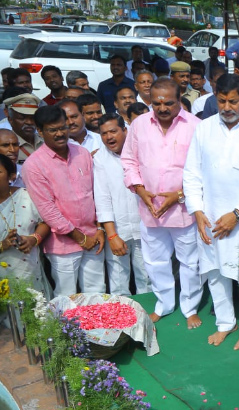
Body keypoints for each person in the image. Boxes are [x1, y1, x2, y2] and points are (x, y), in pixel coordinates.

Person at [183, 74, 239, 349]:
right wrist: (197, 211)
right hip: (210, 215)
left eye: (233, 101)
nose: (226, 107)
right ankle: (225, 323)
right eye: (221, 101)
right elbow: (191, 173)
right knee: (215, 271)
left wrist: (237, 214)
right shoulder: (204, 128)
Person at [121, 78, 203, 327]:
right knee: (155, 261)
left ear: (180, 100)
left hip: (184, 209)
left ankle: (190, 307)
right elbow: (128, 161)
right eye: (156, 103)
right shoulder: (139, 125)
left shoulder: (197, 126)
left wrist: (179, 195)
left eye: (169, 103)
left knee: (190, 262)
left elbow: (205, 170)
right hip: (151, 210)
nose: (162, 108)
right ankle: (164, 304)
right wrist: (139, 189)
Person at [23, 105, 106, 297]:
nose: (60, 133)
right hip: (63, 245)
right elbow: (48, 210)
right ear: (40, 131)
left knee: (97, 294)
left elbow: (97, 194)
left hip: (93, 238)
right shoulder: (33, 165)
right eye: (53, 130)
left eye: (63, 127)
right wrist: (80, 238)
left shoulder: (82, 153)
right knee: (66, 297)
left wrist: (100, 229)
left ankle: (97, 329)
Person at [93, 113, 149, 296]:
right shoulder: (100, 158)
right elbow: (102, 199)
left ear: (125, 130)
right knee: (118, 283)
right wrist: (112, 235)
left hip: (145, 227)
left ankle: (150, 319)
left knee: (147, 278)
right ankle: (123, 323)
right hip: (117, 230)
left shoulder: (141, 151)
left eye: (113, 131)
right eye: (103, 133)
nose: (109, 137)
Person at [0, 153, 51, 298]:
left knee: (31, 311)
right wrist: (3, 245)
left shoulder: (26, 196)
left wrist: (33, 239)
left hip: (27, 269)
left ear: (11, 176)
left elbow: (46, 221)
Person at [3, 93, 42, 163]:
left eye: (33, 118)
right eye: (22, 118)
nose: (29, 122)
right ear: (10, 119)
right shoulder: (5, 146)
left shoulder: (46, 141)